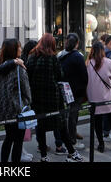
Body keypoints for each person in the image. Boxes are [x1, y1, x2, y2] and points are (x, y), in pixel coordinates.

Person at [26, 33, 83, 162]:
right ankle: (72, 153)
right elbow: (60, 76)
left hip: (37, 98)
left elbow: (28, 77)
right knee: (61, 126)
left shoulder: (32, 57)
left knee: (40, 127)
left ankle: (44, 156)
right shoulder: (52, 58)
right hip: (53, 99)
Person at [0, 39, 32, 163]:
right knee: (18, 141)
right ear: (13, 50)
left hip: (4, 110)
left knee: (8, 138)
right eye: (19, 47)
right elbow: (26, 90)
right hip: (17, 110)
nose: (21, 50)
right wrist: (28, 102)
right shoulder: (19, 68)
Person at [57, 33, 88, 152]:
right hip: (76, 90)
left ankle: (72, 133)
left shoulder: (60, 55)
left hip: (64, 89)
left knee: (69, 114)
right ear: (77, 43)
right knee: (73, 114)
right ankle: (72, 140)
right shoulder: (78, 56)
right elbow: (84, 76)